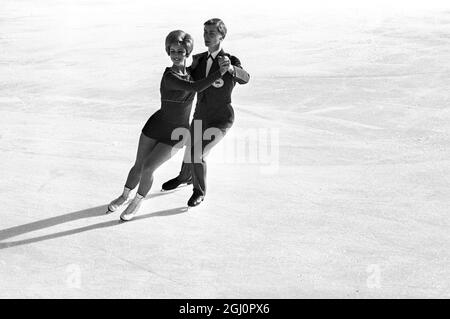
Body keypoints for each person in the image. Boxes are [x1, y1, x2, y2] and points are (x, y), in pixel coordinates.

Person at [107, 30, 230, 221]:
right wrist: (219, 72)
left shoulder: (190, 72)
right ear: (168, 52)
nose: (176, 55)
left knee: (148, 169)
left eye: (180, 51)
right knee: (138, 165)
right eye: (172, 51)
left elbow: (202, 73)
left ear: (187, 52)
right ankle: (124, 195)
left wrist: (222, 69)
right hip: (156, 125)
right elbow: (195, 88)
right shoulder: (169, 76)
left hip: (178, 134)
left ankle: (137, 201)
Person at [161, 18, 250, 207]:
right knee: (190, 149)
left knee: (197, 152)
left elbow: (245, 78)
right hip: (200, 115)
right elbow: (188, 81)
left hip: (221, 119)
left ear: (221, 36)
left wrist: (232, 69)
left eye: (211, 33)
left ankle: (198, 191)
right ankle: (184, 177)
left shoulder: (230, 60)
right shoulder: (198, 59)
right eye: (205, 32)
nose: (206, 36)